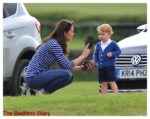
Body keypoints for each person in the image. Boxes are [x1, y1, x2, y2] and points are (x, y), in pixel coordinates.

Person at [24, 19, 95, 94]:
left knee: (69, 77)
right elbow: (68, 67)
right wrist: (83, 56)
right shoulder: (54, 44)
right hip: (33, 78)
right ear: (64, 33)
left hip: (35, 77)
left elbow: (66, 66)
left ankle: (42, 93)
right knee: (67, 74)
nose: (73, 34)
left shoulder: (56, 43)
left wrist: (83, 68)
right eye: (72, 31)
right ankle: (43, 92)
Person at [93, 24, 121, 95]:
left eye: (103, 34)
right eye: (99, 34)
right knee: (103, 82)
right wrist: (94, 60)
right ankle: (103, 96)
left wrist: (112, 54)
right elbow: (95, 54)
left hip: (110, 67)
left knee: (111, 81)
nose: (100, 36)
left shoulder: (113, 43)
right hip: (101, 67)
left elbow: (119, 51)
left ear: (109, 34)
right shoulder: (98, 45)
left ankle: (116, 95)